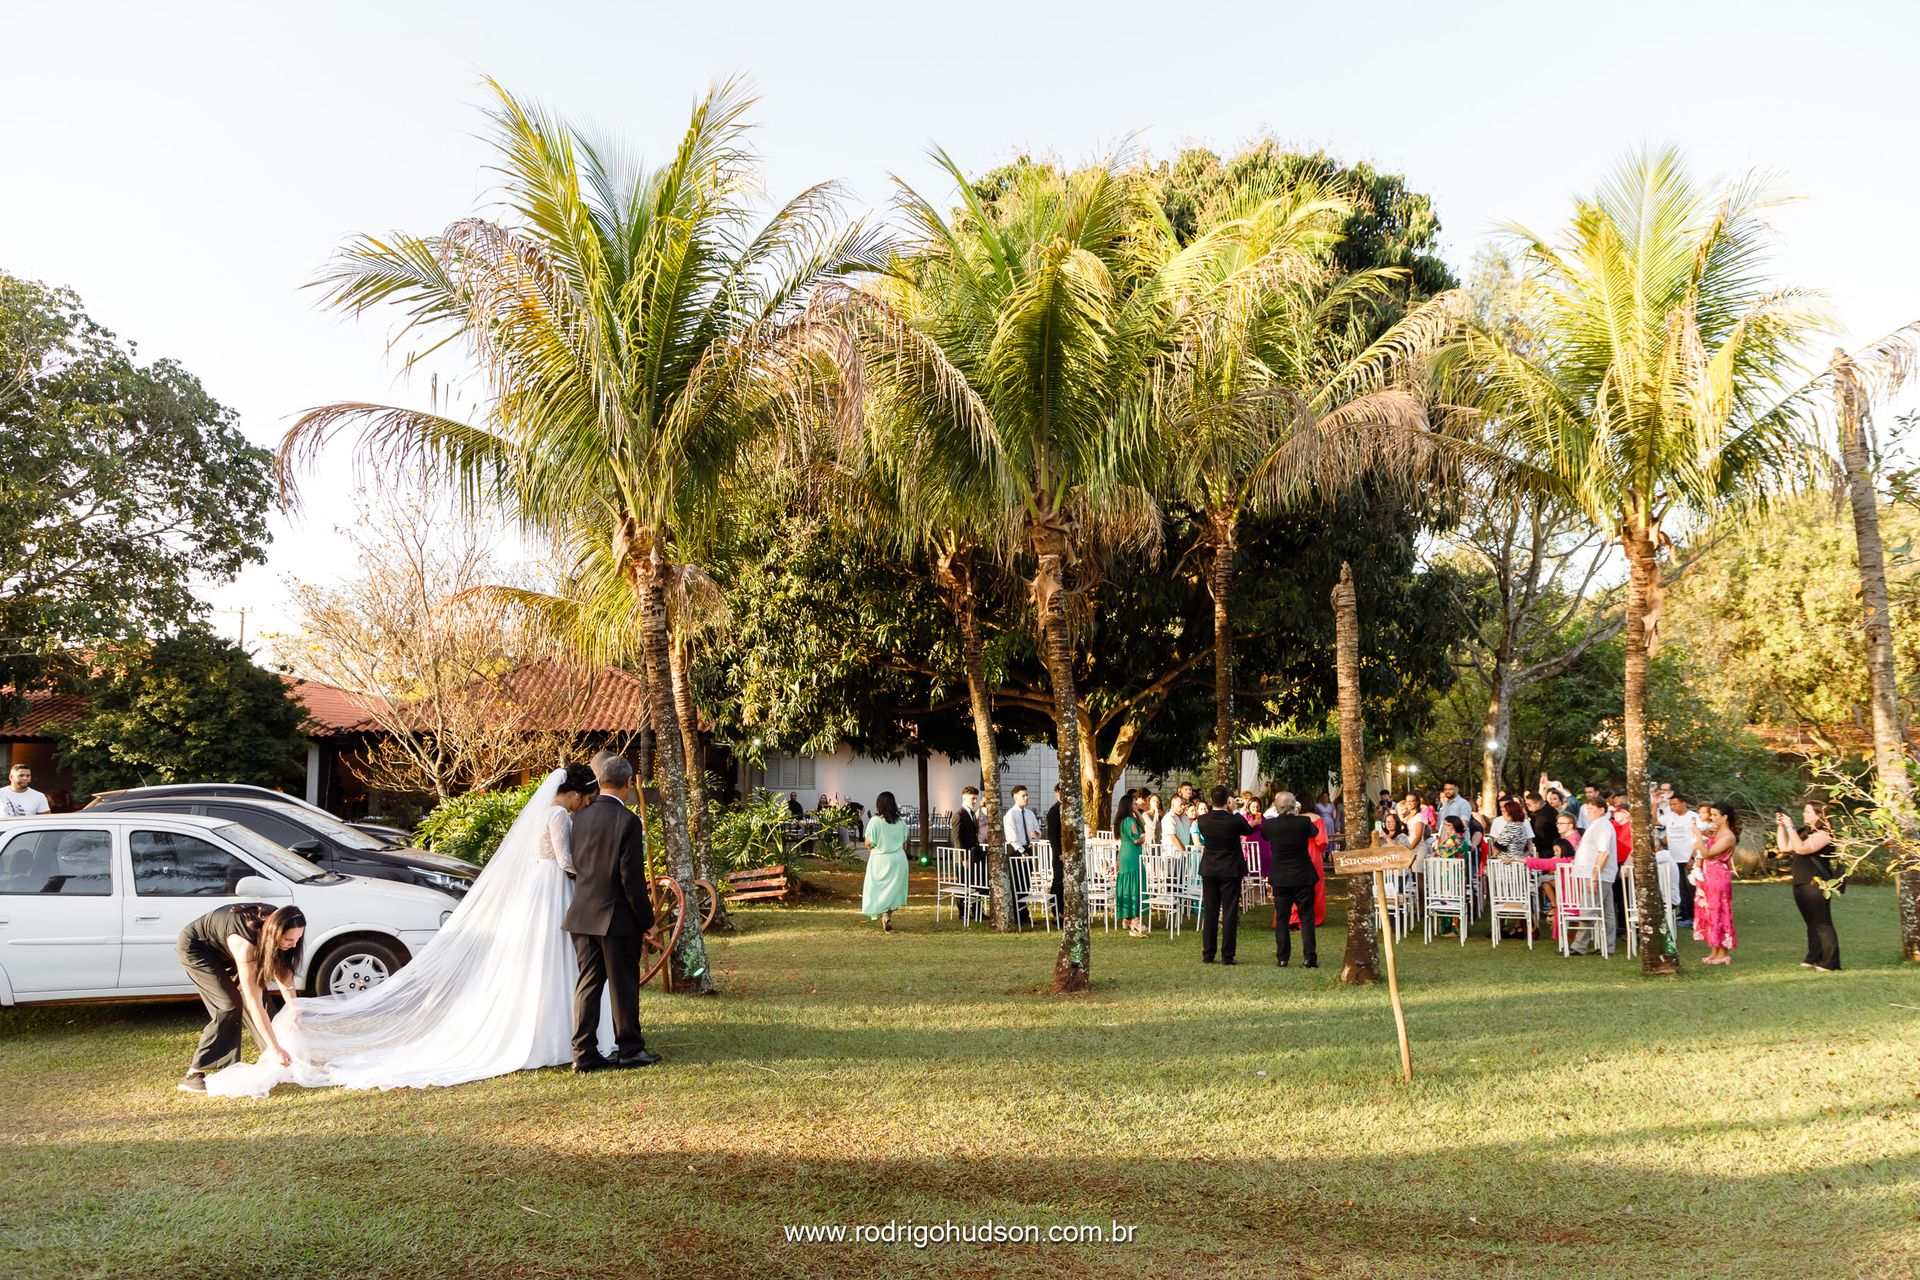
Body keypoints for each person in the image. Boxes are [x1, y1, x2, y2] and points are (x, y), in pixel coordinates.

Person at [206, 765, 642, 1097]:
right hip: (554, 888)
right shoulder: (559, 815)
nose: (584, 803)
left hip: (537, 891)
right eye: (583, 797)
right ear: (573, 793)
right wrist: (588, 874)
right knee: (559, 962)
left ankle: (560, 1034)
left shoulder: (542, 813)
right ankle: (560, 1036)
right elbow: (565, 862)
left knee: (542, 962)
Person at [175, 902, 305, 1093]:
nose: (293, 944)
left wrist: (294, 1010)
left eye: (298, 939)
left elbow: (285, 978)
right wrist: (276, 1048)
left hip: (227, 947)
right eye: (289, 940)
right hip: (198, 948)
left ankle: (277, 1060)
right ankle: (194, 1074)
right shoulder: (246, 946)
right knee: (229, 1006)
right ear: (274, 934)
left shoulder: (283, 922)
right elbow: (253, 1003)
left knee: (265, 1003)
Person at [1193, 785, 1255, 964]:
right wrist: (1234, 811)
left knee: (1211, 911)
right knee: (1229, 911)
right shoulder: (1234, 819)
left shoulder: (1202, 820)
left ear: (1211, 800)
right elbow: (1248, 830)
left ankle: (1208, 953)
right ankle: (1227, 955)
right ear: (1228, 800)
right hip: (1231, 869)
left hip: (1210, 868)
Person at [1777, 802, 1840, 971]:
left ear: (1819, 815)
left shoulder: (1824, 834)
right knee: (1811, 922)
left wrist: (1790, 826)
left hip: (1816, 883)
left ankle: (1830, 962)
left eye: (1807, 812)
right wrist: (1781, 827)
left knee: (1822, 922)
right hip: (1801, 881)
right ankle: (1813, 957)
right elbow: (1785, 847)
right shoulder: (1804, 833)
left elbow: (1802, 849)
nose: (1804, 814)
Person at [1261, 793, 1320, 968]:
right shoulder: (1303, 822)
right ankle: (1310, 958)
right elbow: (1314, 832)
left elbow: (1265, 836)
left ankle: (1282, 957)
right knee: (1306, 917)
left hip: (1281, 877)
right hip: (1303, 875)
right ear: (1294, 806)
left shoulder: (1270, 824)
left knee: (1282, 918)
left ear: (1277, 807)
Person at [1568, 797, 1618, 954]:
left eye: (1591, 809)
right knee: (1607, 912)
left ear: (1602, 810)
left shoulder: (1603, 826)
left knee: (1588, 910)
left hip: (1598, 875)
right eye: (1587, 809)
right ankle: (1608, 946)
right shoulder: (1596, 825)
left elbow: (1604, 853)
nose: (1588, 812)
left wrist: (1594, 877)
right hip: (1596, 874)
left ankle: (1579, 946)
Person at [1693, 803, 1740, 965]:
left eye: (1714, 815)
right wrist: (1703, 835)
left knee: (1719, 912)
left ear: (1724, 817)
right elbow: (1697, 850)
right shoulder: (1716, 832)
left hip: (1718, 877)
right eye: (1711, 814)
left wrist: (1699, 836)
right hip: (1707, 875)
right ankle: (1714, 950)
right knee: (1709, 913)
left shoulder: (1728, 836)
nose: (1711, 818)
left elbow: (1707, 854)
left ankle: (1723, 953)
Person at [861, 790, 911, 932]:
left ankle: (883, 913)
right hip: (898, 859)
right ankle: (887, 915)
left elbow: (868, 842)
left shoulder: (875, 821)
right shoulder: (901, 823)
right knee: (894, 890)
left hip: (880, 858)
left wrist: (873, 851)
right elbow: (905, 843)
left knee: (878, 889)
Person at [1659, 794, 1701, 926]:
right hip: (1673, 858)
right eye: (1671, 805)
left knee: (1691, 887)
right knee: (1679, 887)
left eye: (1675, 804)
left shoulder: (1693, 817)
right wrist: (1655, 804)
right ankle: (1684, 913)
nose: (1672, 807)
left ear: (1684, 803)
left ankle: (1694, 916)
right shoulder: (1669, 816)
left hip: (1688, 858)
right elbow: (1655, 822)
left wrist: (1692, 857)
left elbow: (1698, 838)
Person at [1115, 790, 1147, 937]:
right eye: (1133, 804)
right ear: (1128, 805)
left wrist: (1138, 812)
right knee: (1134, 883)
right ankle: (1134, 917)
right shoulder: (1129, 820)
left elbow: (1143, 824)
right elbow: (1136, 840)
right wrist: (1144, 838)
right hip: (1131, 854)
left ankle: (1127, 918)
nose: (1136, 805)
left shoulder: (1125, 820)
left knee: (1129, 884)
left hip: (1126, 853)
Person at [954, 785, 988, 888]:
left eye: (976, 799)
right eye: (972, 798)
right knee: (964, 886)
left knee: (974, 885)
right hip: (964, 857)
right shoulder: (959, 815)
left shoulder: (972, 814)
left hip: (973, 855)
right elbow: (957, 839)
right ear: (964, 798)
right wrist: (963, 858)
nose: (974, 801)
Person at [1045, 784, 1065, 917]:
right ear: (1057, 793)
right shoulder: (1054, 811)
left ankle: (1063, 910)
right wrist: (1059, 853)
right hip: (1059, 853)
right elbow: (1052, 835)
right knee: (1058, 881)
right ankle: (1057, 912)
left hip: (1067, 851)